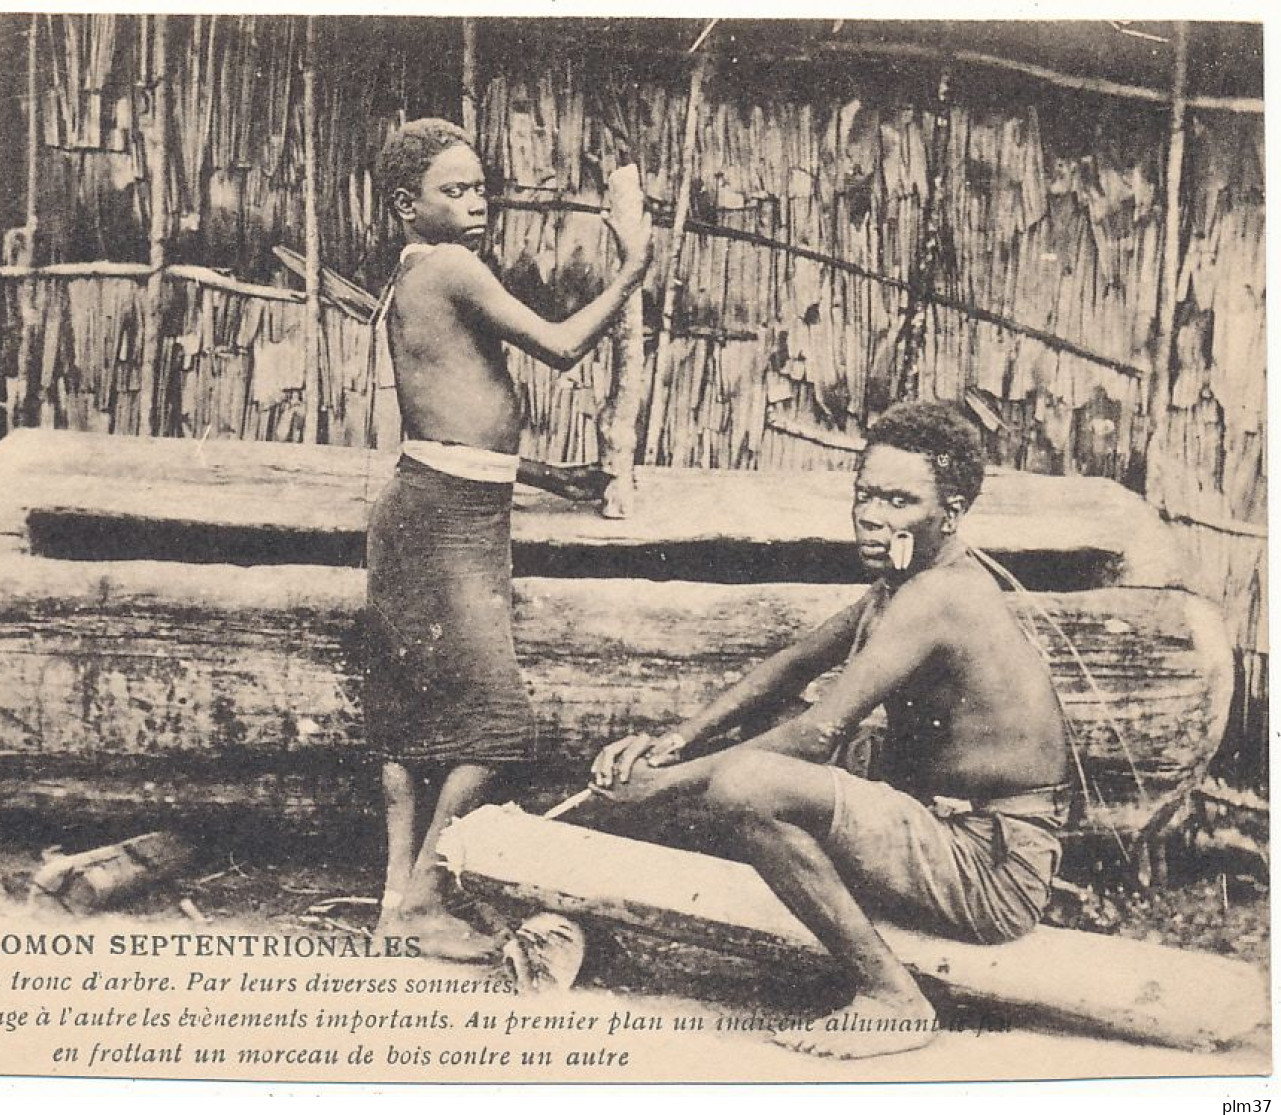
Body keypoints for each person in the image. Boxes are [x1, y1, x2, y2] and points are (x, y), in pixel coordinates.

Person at [589, 401, 1070, 1058]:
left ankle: (891, 997)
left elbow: (819, 733)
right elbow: (792, 663)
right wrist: (674, 741)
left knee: (747, 783)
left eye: (899, 500)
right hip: (947, 830)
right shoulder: (904, 580)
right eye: (864, 493)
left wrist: (662, 783)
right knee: (762, 730)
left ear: (950, 514)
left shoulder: (941, 593)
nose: (871, 514)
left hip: (991, 867)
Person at [366, 119, 651, 958]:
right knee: (496, 729)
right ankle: (422, 903)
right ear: (404, 205)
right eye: (452, 191)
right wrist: (632, 267)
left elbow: (442, 426)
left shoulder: (415, 272)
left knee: (409, 720)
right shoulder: (451, 265)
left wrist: (543, 476)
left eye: (480, 188)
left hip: (436, 500)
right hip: (447, 518)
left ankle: (392, 906)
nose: (475, 204)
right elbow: (562, 347)